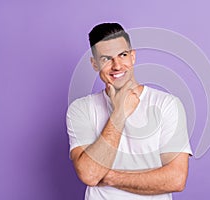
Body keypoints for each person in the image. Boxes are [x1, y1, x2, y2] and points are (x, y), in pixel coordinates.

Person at [66, 22, 192, 200]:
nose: (117, 65)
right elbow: (90, 175)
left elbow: (176, 179)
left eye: (122, 55)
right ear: (95, 64)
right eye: (106, 59)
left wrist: (110, 177)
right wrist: (120, 114)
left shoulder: (167, 104)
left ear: (132, 57)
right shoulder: (80, 109)